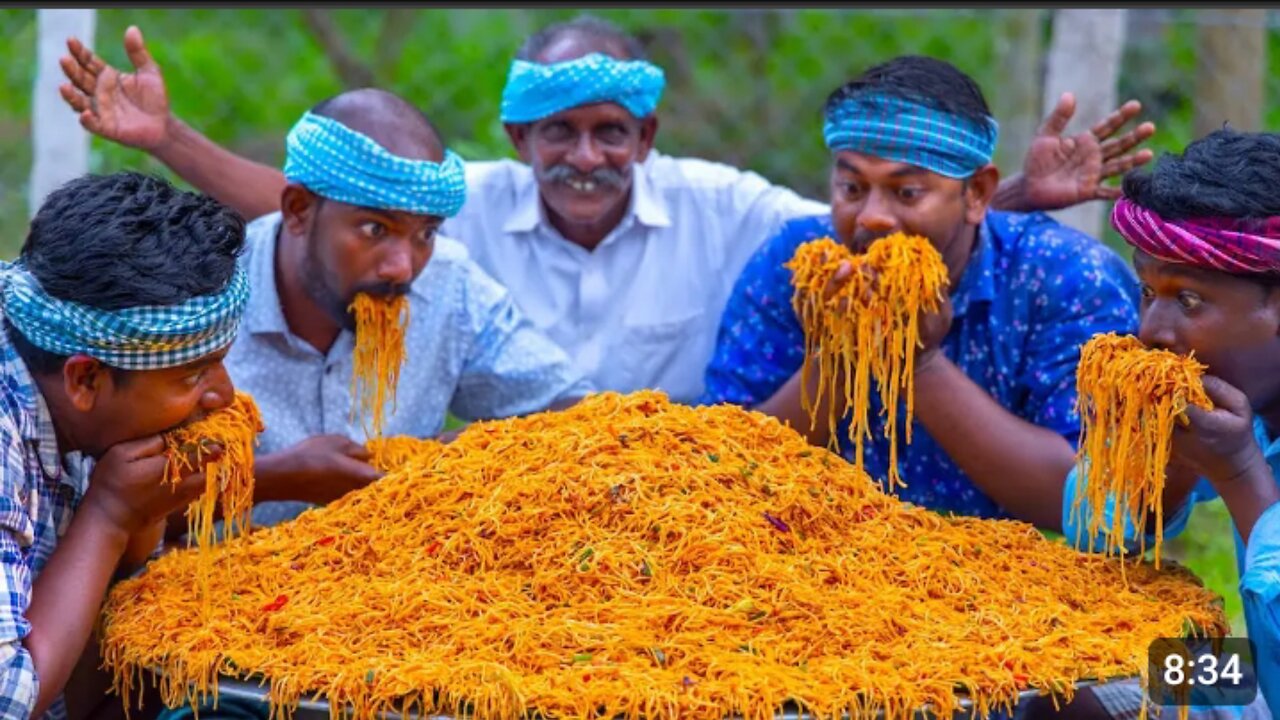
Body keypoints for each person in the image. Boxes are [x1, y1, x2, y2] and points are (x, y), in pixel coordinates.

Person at [57, 17, 1157, 404]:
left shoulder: (724, 209)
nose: (584, 155)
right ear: (518, 143)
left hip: (682, 497)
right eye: (557, 134)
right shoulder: (454, 214)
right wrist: (170, 142)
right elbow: (329, 210)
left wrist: (1002, 200)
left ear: (647, 140)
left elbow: (872, 231)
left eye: (609, 132)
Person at [700, 55, 1140, 532]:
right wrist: (841, 349)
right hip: (815, 564)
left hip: (1005, 583)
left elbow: (1096, 505)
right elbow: (726, 465)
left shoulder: (1065, 279)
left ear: (976, 193)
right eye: (851, 187)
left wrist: (918, 360)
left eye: (906, 193)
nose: (871, 217)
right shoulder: (794, 262)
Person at [188, 88, 593, 530]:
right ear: (299, 210)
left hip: (397, 587)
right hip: (218, 585)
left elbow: (575, 408)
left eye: (425, 234)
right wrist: (268, 479)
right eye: (374, 228)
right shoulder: (198, 298)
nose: (402, 268)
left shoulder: (449, 284)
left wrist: (444, 457)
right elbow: (119, 504)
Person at [0, 171, 249, 718]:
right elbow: (10, 702)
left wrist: (139, 523)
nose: (224, 397)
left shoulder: (89, 417)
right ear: (85, 379)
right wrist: (109, 515)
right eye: (194, 375)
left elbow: (94, 699)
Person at [1058, 128, 1278, 720]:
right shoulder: (1251, 403)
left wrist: (1239, 473)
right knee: (1066, 689)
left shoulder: (1243, 439)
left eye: (1187, 301)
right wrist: (1160, 460)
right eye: (1147, 292)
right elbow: (1089, 532)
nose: (1152, 331)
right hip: (1257, 674)